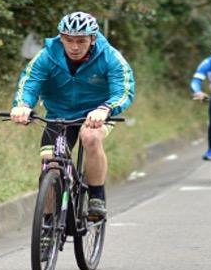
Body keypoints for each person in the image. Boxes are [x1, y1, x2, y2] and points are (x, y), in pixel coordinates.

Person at [9, 11, 135, 219]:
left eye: (81, 41)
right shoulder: (47, 55)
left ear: (92, 38)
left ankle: (96, 196)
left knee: (90, 138)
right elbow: (30, 81)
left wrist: (106, 109)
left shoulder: (109, 56)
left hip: (96, 113)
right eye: (68, 40)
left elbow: (123, 89)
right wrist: (22, 105)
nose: (74, 47)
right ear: (61, 38)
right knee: (50, 163)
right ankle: (47, 226)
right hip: (59, 114)